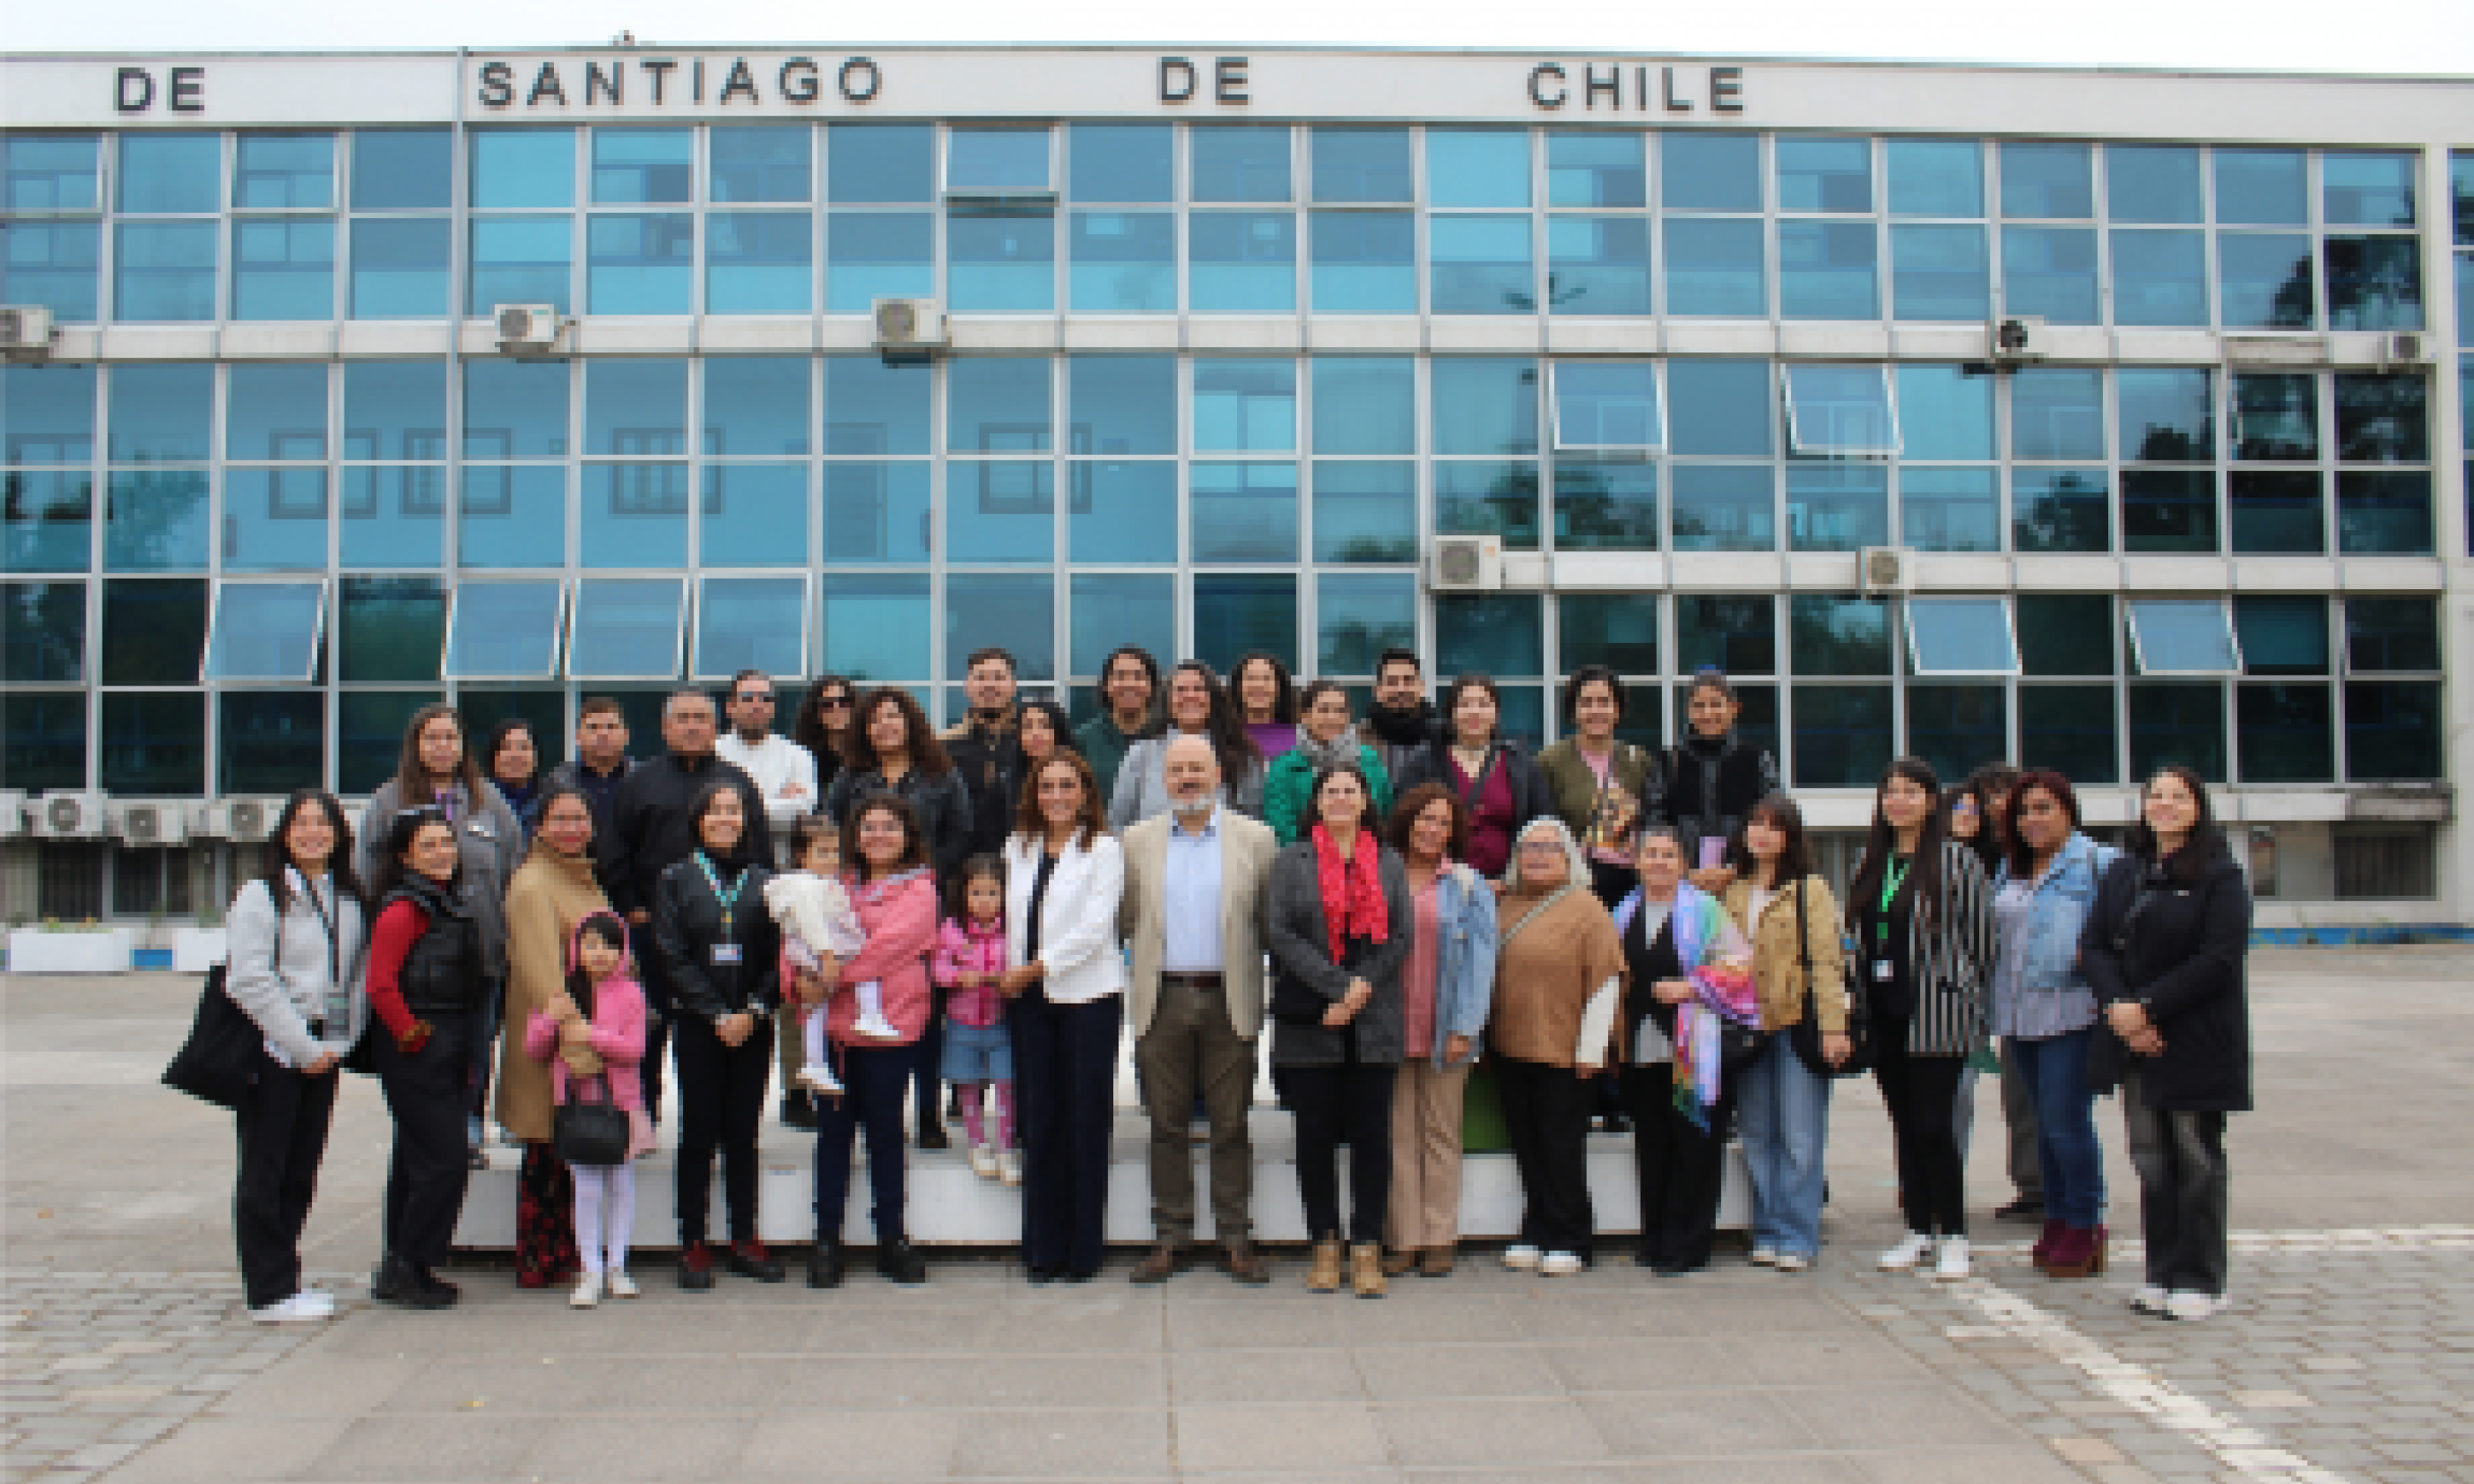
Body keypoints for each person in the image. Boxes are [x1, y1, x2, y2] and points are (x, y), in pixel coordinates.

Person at [2083, 765, 2253, 1324]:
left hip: (2195, 1039)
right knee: (2152, 1158)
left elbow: (2217, 961)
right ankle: (2161, 1272)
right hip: (2135, 1037)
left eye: (2177, 797)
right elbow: (2097, 948)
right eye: (2156, 796)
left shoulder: (2221, 876)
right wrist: (2122, 1011)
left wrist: (2147, 1007)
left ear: (2198, 807)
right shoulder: (2126, 869)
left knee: (2196, 1157)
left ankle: (2203, 1278)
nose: (2164, 805)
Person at [1119, 735, 1280, 1285]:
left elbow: (1268, 922)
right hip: (1160, 999)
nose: (1187, 777)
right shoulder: (1135, 841)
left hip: (1228, 998)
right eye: (1177, 769)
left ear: (1218, 774)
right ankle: (1171, 1237)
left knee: (1231, 1125)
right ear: (1163, 780)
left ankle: (1236, 1238)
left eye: (1197, 768)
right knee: (1165, 1126)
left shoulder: (1257, 839)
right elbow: (1123, 920)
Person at [1266, 761, 1414, 1298]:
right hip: (1312, 1022)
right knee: (1315, 1139)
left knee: (1374, 1139)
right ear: (1318, 799)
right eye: (1331, 790)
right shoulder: (1291, 860)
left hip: (1372, 1019)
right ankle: (1324, 1243)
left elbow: (1399, 936)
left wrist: (1356, 992)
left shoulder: (1389, 861)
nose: (1341, 798)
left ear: (1366, 797)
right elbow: (1279, 933)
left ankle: (1367, 1245)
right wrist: (1335, 986)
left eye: (1351, 789)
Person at [356, 704, 525, 1168]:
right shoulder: (387, 802)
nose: (442, 746)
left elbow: (515, 872)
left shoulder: (490, 802)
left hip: (482, 958)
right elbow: (367, 879)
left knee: (477, 1049)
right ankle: (425, 1134)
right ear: (415, 745)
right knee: (423, 1062)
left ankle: (469, 1132)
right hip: (418, 967)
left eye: (450, 737)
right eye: (432, 737)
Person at [223, 789, 368, 1323]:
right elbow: (249, 979)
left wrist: (336, 1044)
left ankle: (286, 1276)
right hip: (274, 1048)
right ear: (284, 833)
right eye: (302, 823)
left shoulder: (348, 897)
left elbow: (354, 977)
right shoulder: (262, 896)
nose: (313, 832)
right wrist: (301, 1045)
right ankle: (268, 1289)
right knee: (266, 1167)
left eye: (323, 822)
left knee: (302, 1167)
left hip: (324, 1050)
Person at [1851, 757, 1995, 1282]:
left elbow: (1983, 945)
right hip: (1885, 1014)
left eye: (1910, 791)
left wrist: (1972, 1005)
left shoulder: (1958, 862)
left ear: (1931, 801)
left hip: (1938, 1014)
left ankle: (1953, 1235)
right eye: (1891, 791)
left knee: (1936, 1127)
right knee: (1905, 1126)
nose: (1899, 800)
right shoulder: (1872, 864)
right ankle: (1916, 1231)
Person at [600, 690, 773, 1126]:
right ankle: (644, 1116)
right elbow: (616, 848)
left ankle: (718, 1122)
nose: (693, 726)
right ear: (665, 728)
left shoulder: (738, 781)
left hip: (729, 932)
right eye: (683, 718)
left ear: (717, 727)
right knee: (650, 1024)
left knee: (719, 1024)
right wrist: (633, 907)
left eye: (701, 718)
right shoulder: (639, 782)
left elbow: (761, 853)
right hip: (654, 929)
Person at [819, 687, 973, 1147]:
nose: (885, 725)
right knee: (863, 1008)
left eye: (894, 716)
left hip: (921, 907)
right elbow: (837, 836)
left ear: (911, 722)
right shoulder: (851, 776)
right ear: (864, 727)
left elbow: (960, 835)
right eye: (876, 718)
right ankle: (869, 1109)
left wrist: (919, 881)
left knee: (922, 1011)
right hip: (862, 906)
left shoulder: (940, 773)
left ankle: (927, 1111)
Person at [799, 794, 941, 1288]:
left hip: (890, 1032)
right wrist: (800, 979)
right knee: (833, 1137)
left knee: (885, 1136)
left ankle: (891, 1239)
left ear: (907, 833)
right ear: (853, 835)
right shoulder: (834, 884)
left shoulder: (920, 890)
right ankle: (826, 1240)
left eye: (889, 826)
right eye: (868, 826)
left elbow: (886, 950)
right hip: (835, 1033)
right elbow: (799, 933)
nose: (878, 834)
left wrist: (829, 975)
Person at [650, 782, 785, 1291]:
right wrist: (714, 1013)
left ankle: (744, 1237)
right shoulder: (675, 879)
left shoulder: (765, 881)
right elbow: (670, 952)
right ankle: (692, 1242)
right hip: (700, 1025)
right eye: (715, 811)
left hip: (752, 1024)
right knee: (698, 1135)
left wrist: (752, 1010)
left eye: (734, 810)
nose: (725, 818)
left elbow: (779, 955)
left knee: (742, 1134)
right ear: (698, 818)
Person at [1004, 752, 1129, 1283]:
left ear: (1085, 794)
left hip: (1088, 999)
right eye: (1046, 785)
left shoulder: (1103, 849)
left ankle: (1083, 1250)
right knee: (1041, 1122)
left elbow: (1097, 927)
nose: (1056, 795)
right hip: (1028, 1002)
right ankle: (1042, 1246)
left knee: (1084, 1123)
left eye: (1067, 786)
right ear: (1034, 793)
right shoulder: (1017, 847)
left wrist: (1036, 967)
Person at [1992, 769, 2117, 1280]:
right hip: (2019, 1016)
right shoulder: (2012, 869)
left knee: (2067, 1124)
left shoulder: (2097, 863)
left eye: (2044, 808)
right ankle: (2059, 1216)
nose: (2033, 819)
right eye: (2024, 811)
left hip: (2073, 1012)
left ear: (2068, 810)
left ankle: (2087, 1223)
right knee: (2042, 1125)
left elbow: (2125, 930)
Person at [1489, 817, 1628, 1277]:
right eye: (1529, 847)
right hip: (1512, 1047)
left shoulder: (1586, 908)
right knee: (1527, 1146)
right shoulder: (1505, 904)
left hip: (1567, 1052)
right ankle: (1536, 1229)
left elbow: (1606, 982)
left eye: (1550, 847)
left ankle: (1572, 1236)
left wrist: (1593, 1050)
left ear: (1569, 855)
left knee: (1561, 1148)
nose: (1538, 855)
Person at [364, 806, 489, 1310]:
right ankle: (411, 1260)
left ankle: (402, 1265)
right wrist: (412, 1035)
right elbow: (380, 982)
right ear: (405, 856)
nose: (442, 853)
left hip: (445, 1041)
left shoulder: (444, 901)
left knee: (414, 1160)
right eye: (429, 845)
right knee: (446, 1160)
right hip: (418, 1047)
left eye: (446, 842)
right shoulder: (404, 910)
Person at [1616, 826, 1755, 1276]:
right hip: (1642, 1048)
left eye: (1669, 854)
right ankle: (1655, 1236)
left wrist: (1691, 986)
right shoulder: (1624, 911)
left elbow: (1740, 971)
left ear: (1684, 863)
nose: (1659, 862)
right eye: (1651, 854)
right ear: (1636, 862)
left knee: (1695, 1144)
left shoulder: (1707, 910)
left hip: (1695, 1048)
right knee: (1652, 1143)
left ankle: (1690, 1243)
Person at [1720, 793, 1848, 1274]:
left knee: (1800, 1134)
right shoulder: (1732, 891)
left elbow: (1826, 960)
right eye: (1755, 823)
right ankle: (1768, 1229)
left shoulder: (1808, 889)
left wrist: (1834, 1026)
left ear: (1790, 836)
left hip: (1797, 1025)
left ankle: (1798, 1233)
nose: (1762, 834)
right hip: (1749, 1027)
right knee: (1758, 1132)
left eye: (1774, 826)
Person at [1377, 784, 1498, 1279]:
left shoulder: (1468, 885)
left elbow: (1481, 961)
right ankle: (1403, 1239)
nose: (1433, 830)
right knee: (1397, 1136)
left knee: (1440, 1135)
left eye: (1444, 823)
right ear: (1407, 821)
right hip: (1388, 1027)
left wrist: (1466, 1026)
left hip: (1446, 1028)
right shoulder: (1381, 876)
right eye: (1425, 819)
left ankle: (1440, 1236)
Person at [495, 785, 611, 1291]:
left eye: (579, 817)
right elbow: (544, 974)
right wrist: (572, 1036)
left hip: (585, 1033)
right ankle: (538, 1256)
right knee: (545, 1150)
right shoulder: (533, 884)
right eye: (559, 818)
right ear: (538, 826)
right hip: (553, 1043)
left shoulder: (580, 877)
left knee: (566, 1152)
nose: (571, 827)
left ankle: (563, 1250)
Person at [523, 911, 652, 1309]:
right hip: (577, 1106)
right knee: (586, 1188)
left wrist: (590, 1035)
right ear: (576, 948)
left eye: (608, 945)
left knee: (621, 1186)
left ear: (622, 952)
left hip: (621, 1105)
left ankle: (618, 1266)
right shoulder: (562, 990)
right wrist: (551, 1021)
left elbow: (635, 1050)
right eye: (590, 943)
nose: (599, 953)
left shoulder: (631, 994)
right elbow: (535, 1049)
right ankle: (590, 1270)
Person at [1962, 761, 2045, 1224]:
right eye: (1988, 795)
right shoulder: (1966, 850)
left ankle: (2042, 1187)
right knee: (1961, 1092)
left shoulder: (2035, 853)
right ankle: (1937, 1184)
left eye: (2006, 794)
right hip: (1968, 989)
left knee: (2035, 1093)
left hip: (2030, 992)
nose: (1998, 803)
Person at [780, 675, 861, 1127]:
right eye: (825, 703)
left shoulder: (862, 758)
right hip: (800, 878)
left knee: (847, 981)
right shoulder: (799, 755)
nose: (835, 709)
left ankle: (838, 1080)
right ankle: (797, 1088)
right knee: (802, 981)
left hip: (845, 878)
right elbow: (786, 810)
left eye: (843, 701)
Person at [1392, 674, 1553, 880]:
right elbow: (1403, 823)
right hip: (1438, 883)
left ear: (1496, 713)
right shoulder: (1424, 761)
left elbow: (1544, 823)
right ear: (1451, 713)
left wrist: (1516, 879)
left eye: (1483, 704)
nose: (1474, 711)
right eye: (1465, 704)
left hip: (1509, 886)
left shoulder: (1521, 762)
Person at [764, 815, 876, 1102]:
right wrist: (827, 953)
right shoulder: (804, 884)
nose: (831, 859)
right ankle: (869, 1015)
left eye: (835, 852)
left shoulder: (822, 882)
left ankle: (814, 1063)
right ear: (802, 856)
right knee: (866, 974)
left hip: (814, 949)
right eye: (822, 852)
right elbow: (812, 921)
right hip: (816, 948)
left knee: (815, 1011)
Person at [1537, 665, 1665, 909]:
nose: (1596, 710)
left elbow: (1656, 818)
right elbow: (1542, 823)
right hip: (1573, 883)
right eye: (1586, 702)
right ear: (1573, 711)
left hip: (1634, 885)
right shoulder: (1549, 761)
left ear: (1617, 710)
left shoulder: (1639, 760)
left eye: (1604, 701)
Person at [931, 856, 1020, 1184]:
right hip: (962, 1023)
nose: (984, 901)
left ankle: (1006, 1148)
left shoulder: (1014, 931)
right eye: (976, 893)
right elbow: (938, 969)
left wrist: (1009, 979)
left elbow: (1024, 968)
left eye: (992, 893)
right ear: (964, 894)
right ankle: (977, 1144)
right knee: (968, 1087)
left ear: (1005, 894)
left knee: (1007, 1086)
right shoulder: (951, 929)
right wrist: (957, 977)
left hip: (1001, 1023)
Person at [1109, 660, 1266, 829]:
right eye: (1180, 690)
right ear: (1167, 701)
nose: (1190, 696)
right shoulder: (1141, 754)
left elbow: (1253, 825)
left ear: (1213, 698)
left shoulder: (1242, 755)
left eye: (1198, 689)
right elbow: (1117, 824)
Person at [1668, 669, 1780, 897]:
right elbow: (1654, 823)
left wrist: (1734, 870)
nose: (1708, 713)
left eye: (1716, 704)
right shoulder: (1668, 762)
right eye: (1699, 705)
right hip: (1681, 886)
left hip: (1745, 883)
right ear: (1688, 711)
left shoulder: (1758, 761)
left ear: (1733, 708)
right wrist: (1684, 872)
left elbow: (1775, 823)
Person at [1264, 680, 1394, 847]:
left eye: (1340, 711)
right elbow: (1281, 826)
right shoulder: (1284, 767)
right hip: (1307, 862)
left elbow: (1384, 815)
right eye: (1323, 710)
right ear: (1305, 715)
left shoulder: (1368, 760)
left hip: (1365, 860)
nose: (1332, 717)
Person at [715, 669, 819, 858]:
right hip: (719, 870)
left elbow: (799, 819)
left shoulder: (798, 756)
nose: (757, 705)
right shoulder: (712, 753)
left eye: (766, 698)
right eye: (748, 697)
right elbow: (702, 815)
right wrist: (778, 802)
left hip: (779, 870)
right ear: (729, 707)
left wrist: (732, 809)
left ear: (773, 707)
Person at [943, 647, 1027, 859]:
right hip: (960, 875)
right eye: (980, 677)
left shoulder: (1034, 744)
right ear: (967, 686)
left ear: (1013, 686)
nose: (989, 684)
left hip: (1026, 869)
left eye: (998, 677)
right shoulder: (943, 746)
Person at [538, 697, 633, 847]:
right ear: (578, 737)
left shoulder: (644, 779)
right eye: (593, 727)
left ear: (626, 735)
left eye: (611, 727)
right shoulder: (557, 781)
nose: (603, 734)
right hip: (571, 868)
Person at [1075, 644, 1162, 805]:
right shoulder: (1081, 741)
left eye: (1138, 676)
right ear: (1106, 686)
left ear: (1152, 687)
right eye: (1120, 676)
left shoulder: (1170, 739)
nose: (1129, 684)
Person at [1357, 647, 1440, 782]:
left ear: (1422, 686)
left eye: (1408, 680)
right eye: (1391, 682)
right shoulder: (1356, 740)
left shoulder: (1443, 738)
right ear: (1377, 690)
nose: (1401, 689)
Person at [1231, 650, 1299, 768]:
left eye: (1267, 678)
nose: (1259, 685)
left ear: (1280, 688)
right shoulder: (1222, 734)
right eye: (1251, 678)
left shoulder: (1301, 736)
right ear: (1237, 687)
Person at [482, 719, 543, 839]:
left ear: (536, 758)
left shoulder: (552, 803)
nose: (515, 755)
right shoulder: (474, 801)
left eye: (524, 747)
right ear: (492, 758)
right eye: (506, 747)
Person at [1015, 698, 1078, 775]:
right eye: (1028, 726)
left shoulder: (1073, 773)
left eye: (1044, 725)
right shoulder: (1011, 778)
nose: (1035, 733)